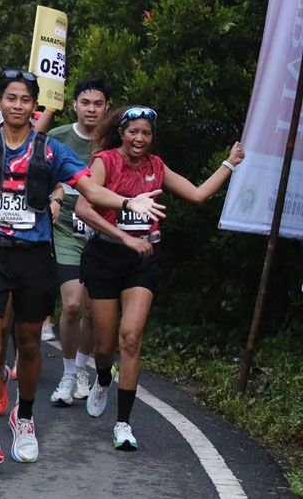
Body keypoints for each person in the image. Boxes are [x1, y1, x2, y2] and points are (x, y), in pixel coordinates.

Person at [0, 69, 164, 471]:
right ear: (0, 103)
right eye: (11, 98)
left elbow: (90, 189)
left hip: (35, 257)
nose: (18, 106)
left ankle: (25, 417)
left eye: (25, 100)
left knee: (30, 343)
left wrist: (128, 204)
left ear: (34, 107)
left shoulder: (51, 150)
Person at [74, 106, 243, 451]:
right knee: (104, 347)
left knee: (131, 337)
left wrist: (229, 163)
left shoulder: (157, 166)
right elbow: (83, 208)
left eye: (146, 133)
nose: (139, 138)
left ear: (152, 137)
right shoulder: (105, 161)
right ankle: (103, 377)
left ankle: (123, 423)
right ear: (122, 133)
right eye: (133, 131)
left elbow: (197, 195)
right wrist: (124, 236)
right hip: (106, 255)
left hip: (144, 258)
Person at [47, 78, 110, 406]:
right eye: (85, 103)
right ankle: (68, 373)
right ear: (75, 105)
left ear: (106, 107)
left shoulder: (114, 143)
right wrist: (55, 197)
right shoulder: (59, 138)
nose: (91, 109)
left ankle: (82, 368)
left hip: (100, 232)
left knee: (91, 310)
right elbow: (39, 175)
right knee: (72, 305)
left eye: (97, 104)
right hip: (67, 230)